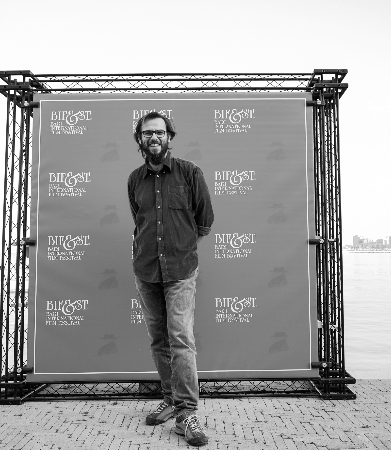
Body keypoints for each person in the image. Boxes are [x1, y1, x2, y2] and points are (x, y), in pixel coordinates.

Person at [127, 111, 214, 447]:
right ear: (140, 139)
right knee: (159, 340)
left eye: (160, 132)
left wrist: (181, 247)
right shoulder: (134, 180)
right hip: (146, 270)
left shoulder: (190, 173)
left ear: (169, 137)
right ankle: (169, 398)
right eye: (148, 133)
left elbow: (204, 220)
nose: (154, 138)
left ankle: (187, 414)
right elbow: (139, 221)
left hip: (180, 271)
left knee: (180, 339)